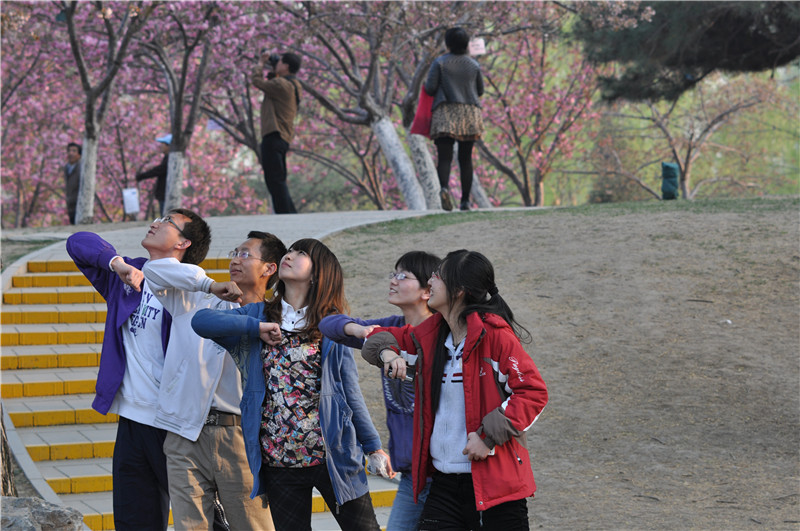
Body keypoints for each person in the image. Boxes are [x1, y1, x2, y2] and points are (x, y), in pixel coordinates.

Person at [191, 238, 391, 531]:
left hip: (333, 457)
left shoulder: (331, 324)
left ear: (317, 274)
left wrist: (373, 446)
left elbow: (349, 390)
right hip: (278, 461)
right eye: (291, 250)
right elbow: (202, 321)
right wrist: (256, 328)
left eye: (302, 254)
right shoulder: (258, 315)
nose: (290, 255)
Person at [362, 250, 548, 530]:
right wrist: (388, 353)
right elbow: (376, 339)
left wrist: (486, 437)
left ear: (459, 290)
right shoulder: (428, 337)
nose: (431, 282)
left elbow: (532, 392)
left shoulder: (495, 337)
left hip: (496, 487)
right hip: (444, 485)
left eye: (437, 276)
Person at [66, 209, 211, 530]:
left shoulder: (192, 288)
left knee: (204, 520)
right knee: (135, 522)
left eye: (168, 222)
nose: (155, 222)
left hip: (174, 426)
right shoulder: (126, 276)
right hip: (132, 421)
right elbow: (78, 242)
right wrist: (117, 264)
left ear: (183, 243)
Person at [142, 231, 286, 530]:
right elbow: (153, 270)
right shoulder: (198, 298)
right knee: (190, 526)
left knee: (253, 524)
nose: (235, 259)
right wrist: (208, 284)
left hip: (240, 439)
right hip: (185, 434)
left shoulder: (278, 320)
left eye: (246, 254)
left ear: (269, 268)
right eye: (235, 252)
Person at [319, 251, 440, 531]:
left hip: (445, 469)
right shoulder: (390, 328)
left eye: (403, 276)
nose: (393, 281)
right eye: (393, 274)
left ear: (427, 290)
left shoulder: (443, 334)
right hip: (412, 472)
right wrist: (363, 333)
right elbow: (329, 325)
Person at [425, 27, 485, 212]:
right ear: (467, 44)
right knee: (465, 159)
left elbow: (430, 88)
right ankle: (465, 201)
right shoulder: (474, 65)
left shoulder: (440, 63)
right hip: (469, 113)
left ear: (447, 44)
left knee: (444, 157)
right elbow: (480, 91)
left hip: (446, 111)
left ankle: (444, 189)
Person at [252, 51, 302, 214]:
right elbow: (272, 81)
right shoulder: (293, 84)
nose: (277, 63)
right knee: (278, 179)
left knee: (274, 180)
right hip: (282, 137)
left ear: (286, 66)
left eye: (279, 61)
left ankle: (285, 215)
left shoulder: (282, 85)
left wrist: (260, 64)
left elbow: (257, 81)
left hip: (274, 135)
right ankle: (290, 214)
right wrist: (274, 68)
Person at [136, 134, 171, 216]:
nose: (161, 146)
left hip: (165, 193)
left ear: (169, 146)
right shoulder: (167, 158)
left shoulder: (170, 159)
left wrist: (142, 176)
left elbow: (159, 170)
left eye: (163, 144)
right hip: (164, 193)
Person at [64, 142, 82, 225]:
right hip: (70, 204)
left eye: (74, 151)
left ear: (79, 155)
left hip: (80, 204)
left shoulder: (82, 168)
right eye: (69, 151)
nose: (71, 153)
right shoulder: (67, 168)